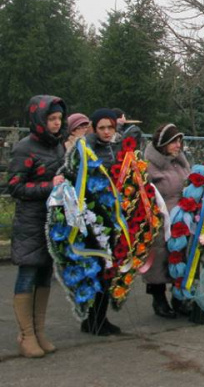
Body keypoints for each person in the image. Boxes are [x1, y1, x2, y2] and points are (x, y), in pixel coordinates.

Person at [7, 96, 66, 358]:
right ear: (39, 120)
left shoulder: (57, 147)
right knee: (28, 274)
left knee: (44, 275)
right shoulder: (24, 148)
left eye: (58, 119)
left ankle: (39, 330)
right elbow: (16, 186)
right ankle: (26, 334)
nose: (56, 123)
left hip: (51, 220)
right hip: (30, 221)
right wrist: (49, 187)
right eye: (51, 119)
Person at [142, 123, 190, 318]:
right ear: (163, 143)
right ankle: (159, 299)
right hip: (160, 218)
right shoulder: (149, 166)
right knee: (159, 258)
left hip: (183, 217)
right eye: (173, 141)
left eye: (179, 141)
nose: (178, 145)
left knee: (182, 257)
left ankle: (179, 298)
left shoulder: (180, 162)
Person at [82, 108, 122, 335]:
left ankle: (100, 317)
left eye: (110, 127)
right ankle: (92, 319)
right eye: (102, 128)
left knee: (108, 268)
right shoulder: (87, 149)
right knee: (97, 268)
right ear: (94, 128)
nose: (107, 132)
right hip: (93, 217)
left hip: (113, 215)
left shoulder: (115, 148)